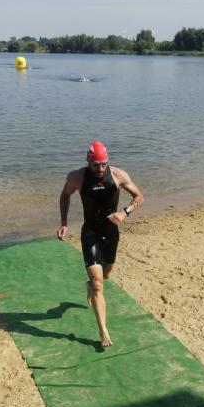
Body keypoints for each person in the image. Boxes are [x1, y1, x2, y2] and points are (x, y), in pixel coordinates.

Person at [56, 141, 144, 347]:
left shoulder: (118, 175)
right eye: (96, 165)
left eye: (104, 164)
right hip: (90, 232)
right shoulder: (77, 177)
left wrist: (124, 213)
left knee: (106, 275)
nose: (101, 168)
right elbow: (65, 195)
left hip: (111, 232)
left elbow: (139, 197)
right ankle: (103, 331)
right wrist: (64, 222)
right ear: (88, 162)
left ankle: (90, 285)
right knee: (98, 284)